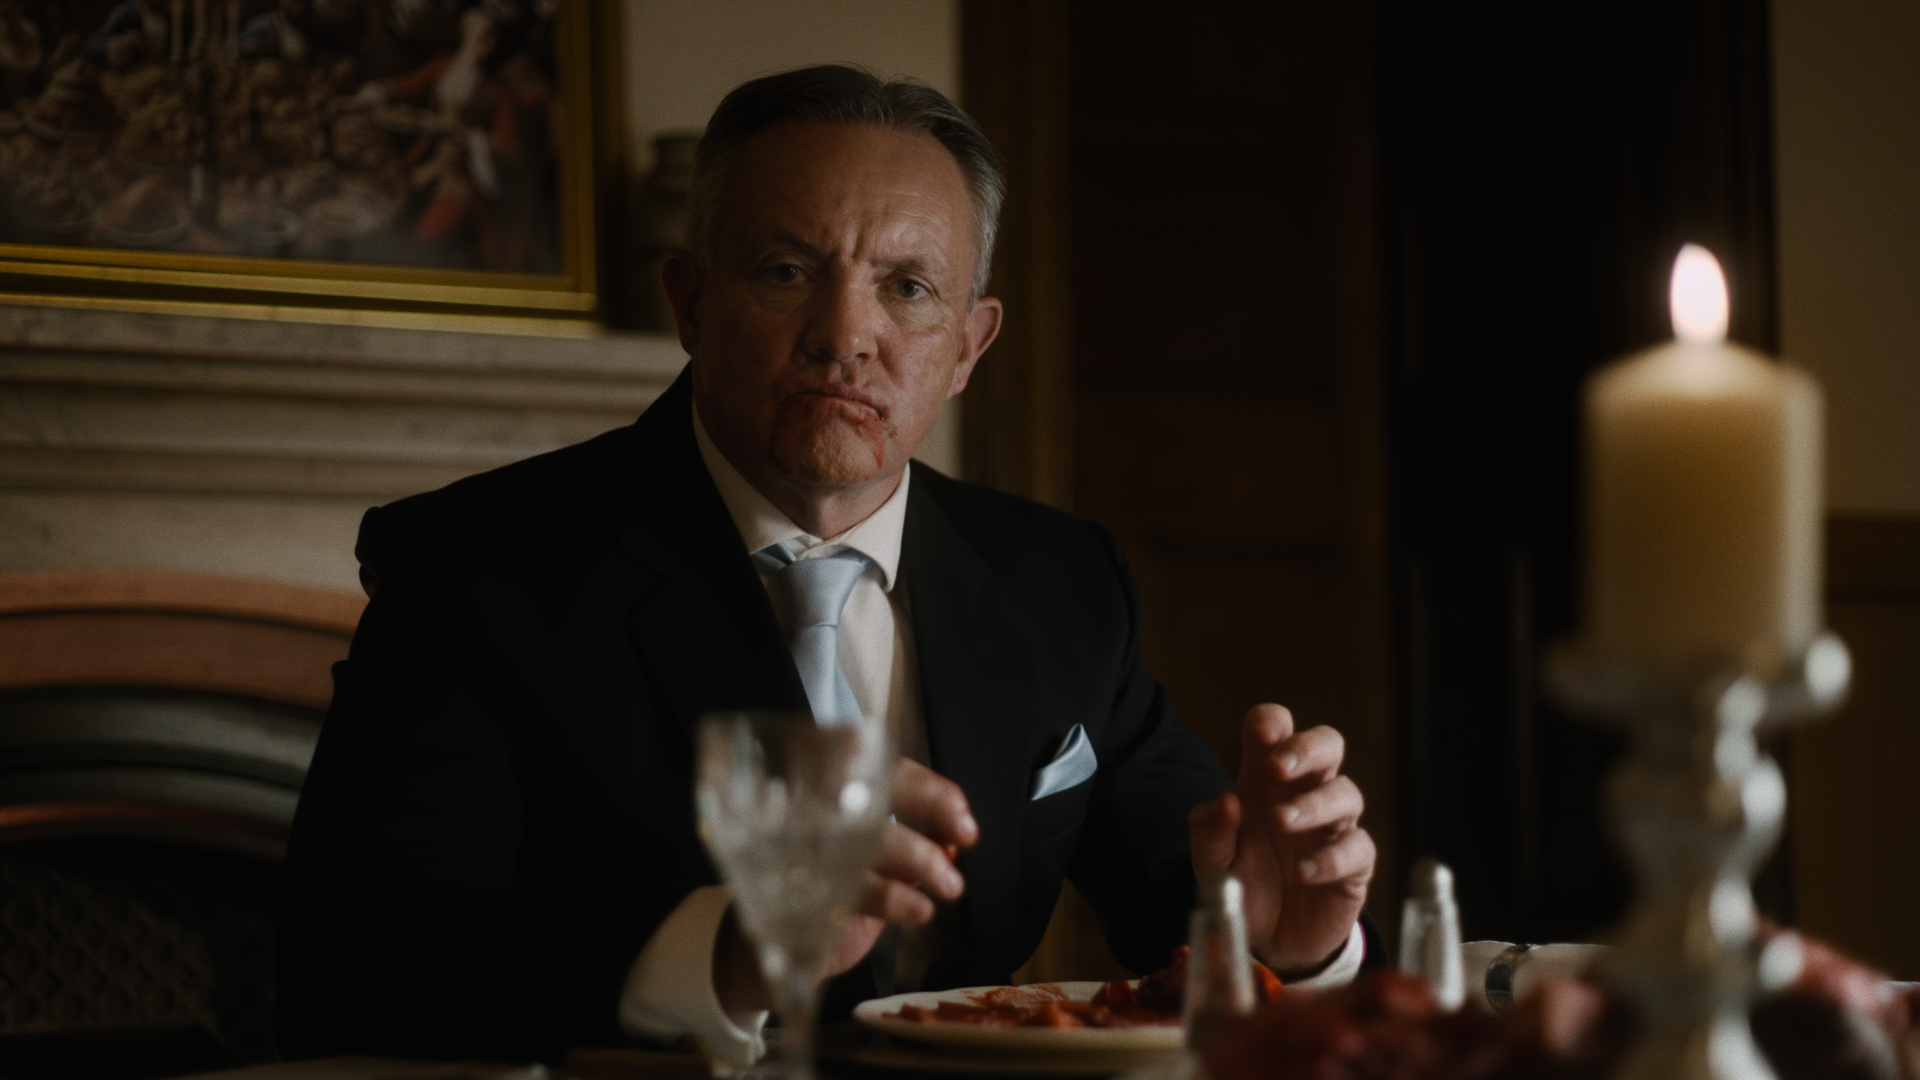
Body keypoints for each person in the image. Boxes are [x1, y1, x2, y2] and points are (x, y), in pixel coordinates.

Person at [274, 65, 1379, 1065]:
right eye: (788, 269)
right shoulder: (475, 570)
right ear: (690, 302)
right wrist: (729, 948)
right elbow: (362, 957)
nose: (845, 333)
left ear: (968, 348)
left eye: (909, 288)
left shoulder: (1064, 581)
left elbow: (1193, 904)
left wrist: (1291, 943)